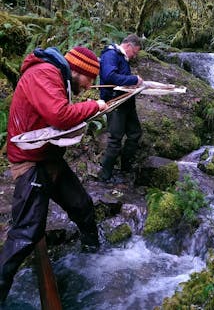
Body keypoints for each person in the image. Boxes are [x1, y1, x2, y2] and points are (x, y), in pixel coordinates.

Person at [0, 45, 108, 303]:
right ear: (77, 70)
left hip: (49, 159)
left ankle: (94, 256)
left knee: (82, 205)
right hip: (31, 162)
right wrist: (94, 106)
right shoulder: (45, 73)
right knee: (27, 233)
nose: (89, 85)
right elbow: (59, 115)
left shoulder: (56, 76)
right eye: (89, 79)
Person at [98, 34, 143, 181]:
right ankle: (104, 176)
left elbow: (120, 78)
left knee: (135, 133)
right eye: (134, 52)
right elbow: (110, 76)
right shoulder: (110, 55)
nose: (134, 56)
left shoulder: (122, 57)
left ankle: (125, 167)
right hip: (115, 101)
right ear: (129, 46)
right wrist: (134, 79)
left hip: (127, 101)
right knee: (115, 139)